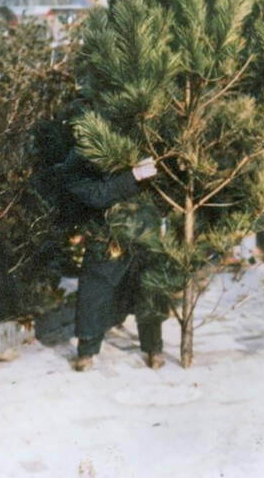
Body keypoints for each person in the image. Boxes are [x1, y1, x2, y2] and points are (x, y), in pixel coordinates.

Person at [64, 151, 166, 371]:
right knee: (94, 292)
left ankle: (154, 347)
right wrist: (133, 176)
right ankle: (87, 350)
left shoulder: (146, 143)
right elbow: (95, 194)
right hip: (105, 236)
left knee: (148, 290)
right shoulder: (86, 154)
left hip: (143, 233)